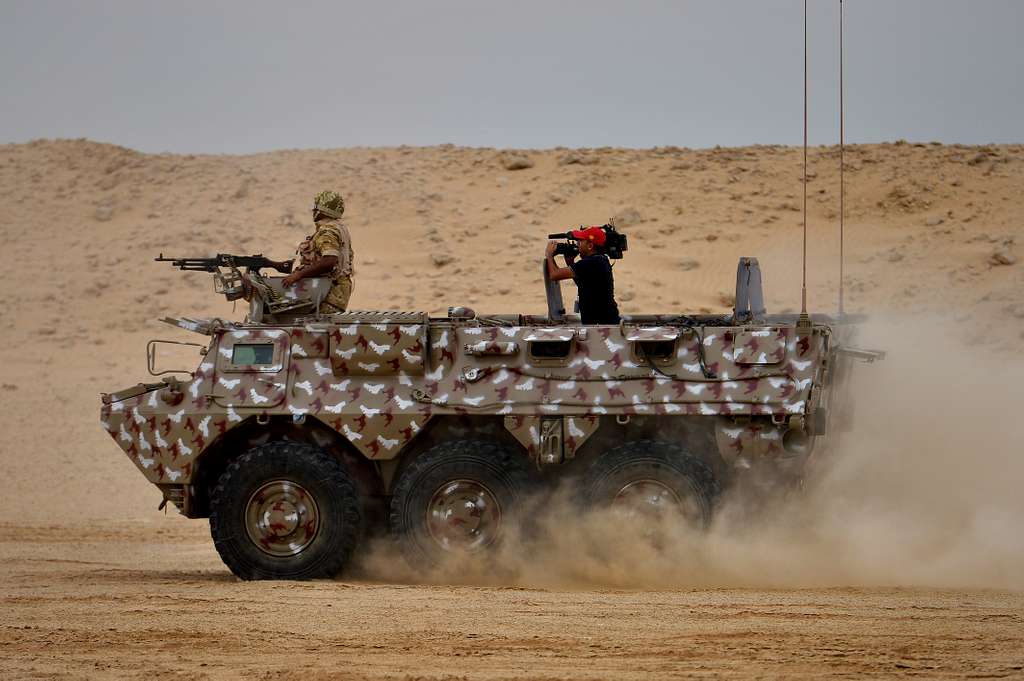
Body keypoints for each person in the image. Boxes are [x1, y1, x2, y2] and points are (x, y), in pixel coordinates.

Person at [281, 190, 355, 313]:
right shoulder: (339, 228)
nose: (314, 212)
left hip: (328, 294)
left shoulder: (327, 231)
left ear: (323, 210)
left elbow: (329, 262)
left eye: (316, 208)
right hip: (334, 292)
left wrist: (298, 275)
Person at [545, 226, 620, 325]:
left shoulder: (591, 262)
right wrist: (570, 261)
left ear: (590, 246)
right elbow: (584, 284)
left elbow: (554, 275)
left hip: (601, 325)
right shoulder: (600, 260)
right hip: (603, 323)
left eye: (580, 242)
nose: (577, 245)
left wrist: (549, 255)